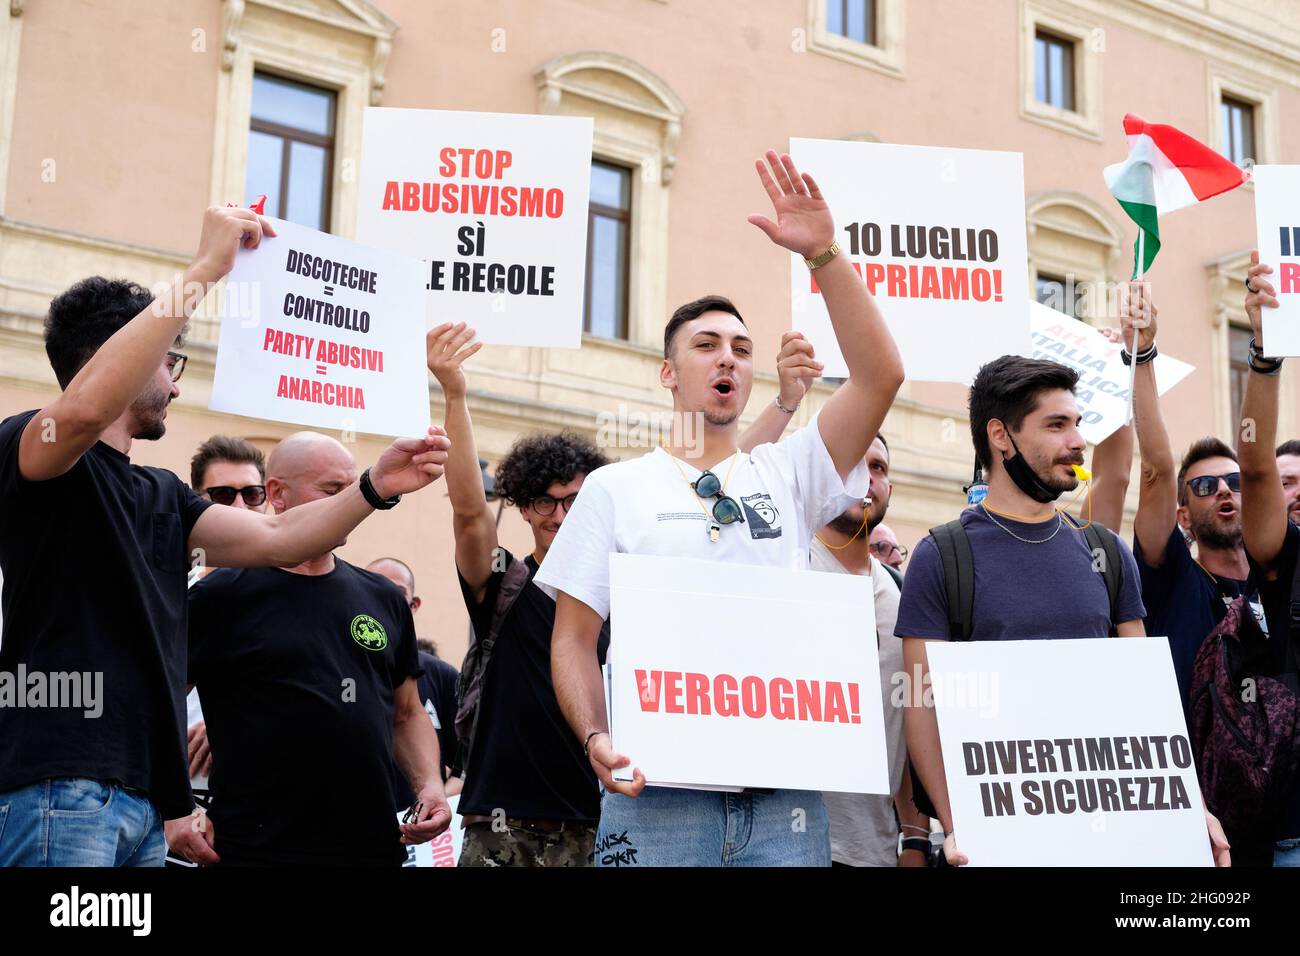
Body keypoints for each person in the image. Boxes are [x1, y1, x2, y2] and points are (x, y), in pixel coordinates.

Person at [0, 206, 450, 867]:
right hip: (59, 786)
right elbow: (87, 411)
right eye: (169, 360)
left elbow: (280, 541)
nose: (176, 384)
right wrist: (206, 270)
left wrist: (374, 487)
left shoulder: (164, 498)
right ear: (119, 355)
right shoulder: (30, 442)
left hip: (140, 803)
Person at [541, 149, 905, 867]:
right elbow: (573, 638)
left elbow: (881, 374)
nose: (729, 359)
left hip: (781, 801)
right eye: (706, 346)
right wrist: (594, 736)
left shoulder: (792, 471)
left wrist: (825, 255)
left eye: (741, 347)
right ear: (670, 375)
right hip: (654, 796)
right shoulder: (616, 488)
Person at [896, 353, 1229, 866]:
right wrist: (956, 822)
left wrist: (1189, 807)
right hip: (996, 842)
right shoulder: (942, 556)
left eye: (1078, 424)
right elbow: (921, 706)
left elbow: (1145, 704)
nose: (1077, 442)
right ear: (1000, 436)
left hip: (1107, 841)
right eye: (1056, 425)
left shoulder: (1108, 553)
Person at [174, 433, 450, 867]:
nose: (353, 503)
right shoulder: (220, 596)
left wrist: (429, 786)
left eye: (353, 486)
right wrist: (175, 807)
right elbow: (156, 701)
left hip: (373, 849)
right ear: (279, 494)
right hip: (254, 851)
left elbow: (408, 713)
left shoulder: (383, 597)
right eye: (332, 491)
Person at [1120, 282, 1262, 715]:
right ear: (1183, 515)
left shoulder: (1280, 577)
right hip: (1199, 779)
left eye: (1234, 481)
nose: (1223, 489)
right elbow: (1158, 469)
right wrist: (1141, 356)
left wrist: (1263, 346)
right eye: (1204, 486)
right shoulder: (1174, 577)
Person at [809, 435, 931, 867]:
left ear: (889, 492)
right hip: (783, 845)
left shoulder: (904, 597)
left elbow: (909, 727)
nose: (866, 477)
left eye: (877, 468)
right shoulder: (784, 565)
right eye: (851, 463)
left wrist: (915, 840)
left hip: (872, 852)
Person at [1236, 252, 1300, 866]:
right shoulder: (1288, 563)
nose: (1296, 490)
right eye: (1289, 483)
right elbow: (1253, 467)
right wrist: (1264, 354)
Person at [367, 557, 461, 797]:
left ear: (414, 604)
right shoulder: (338, 667)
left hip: (421, 828)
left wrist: (434, 797)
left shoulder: (443, 676)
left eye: (396, 592)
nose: (385, 600)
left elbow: (467, 764)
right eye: (374, 588)